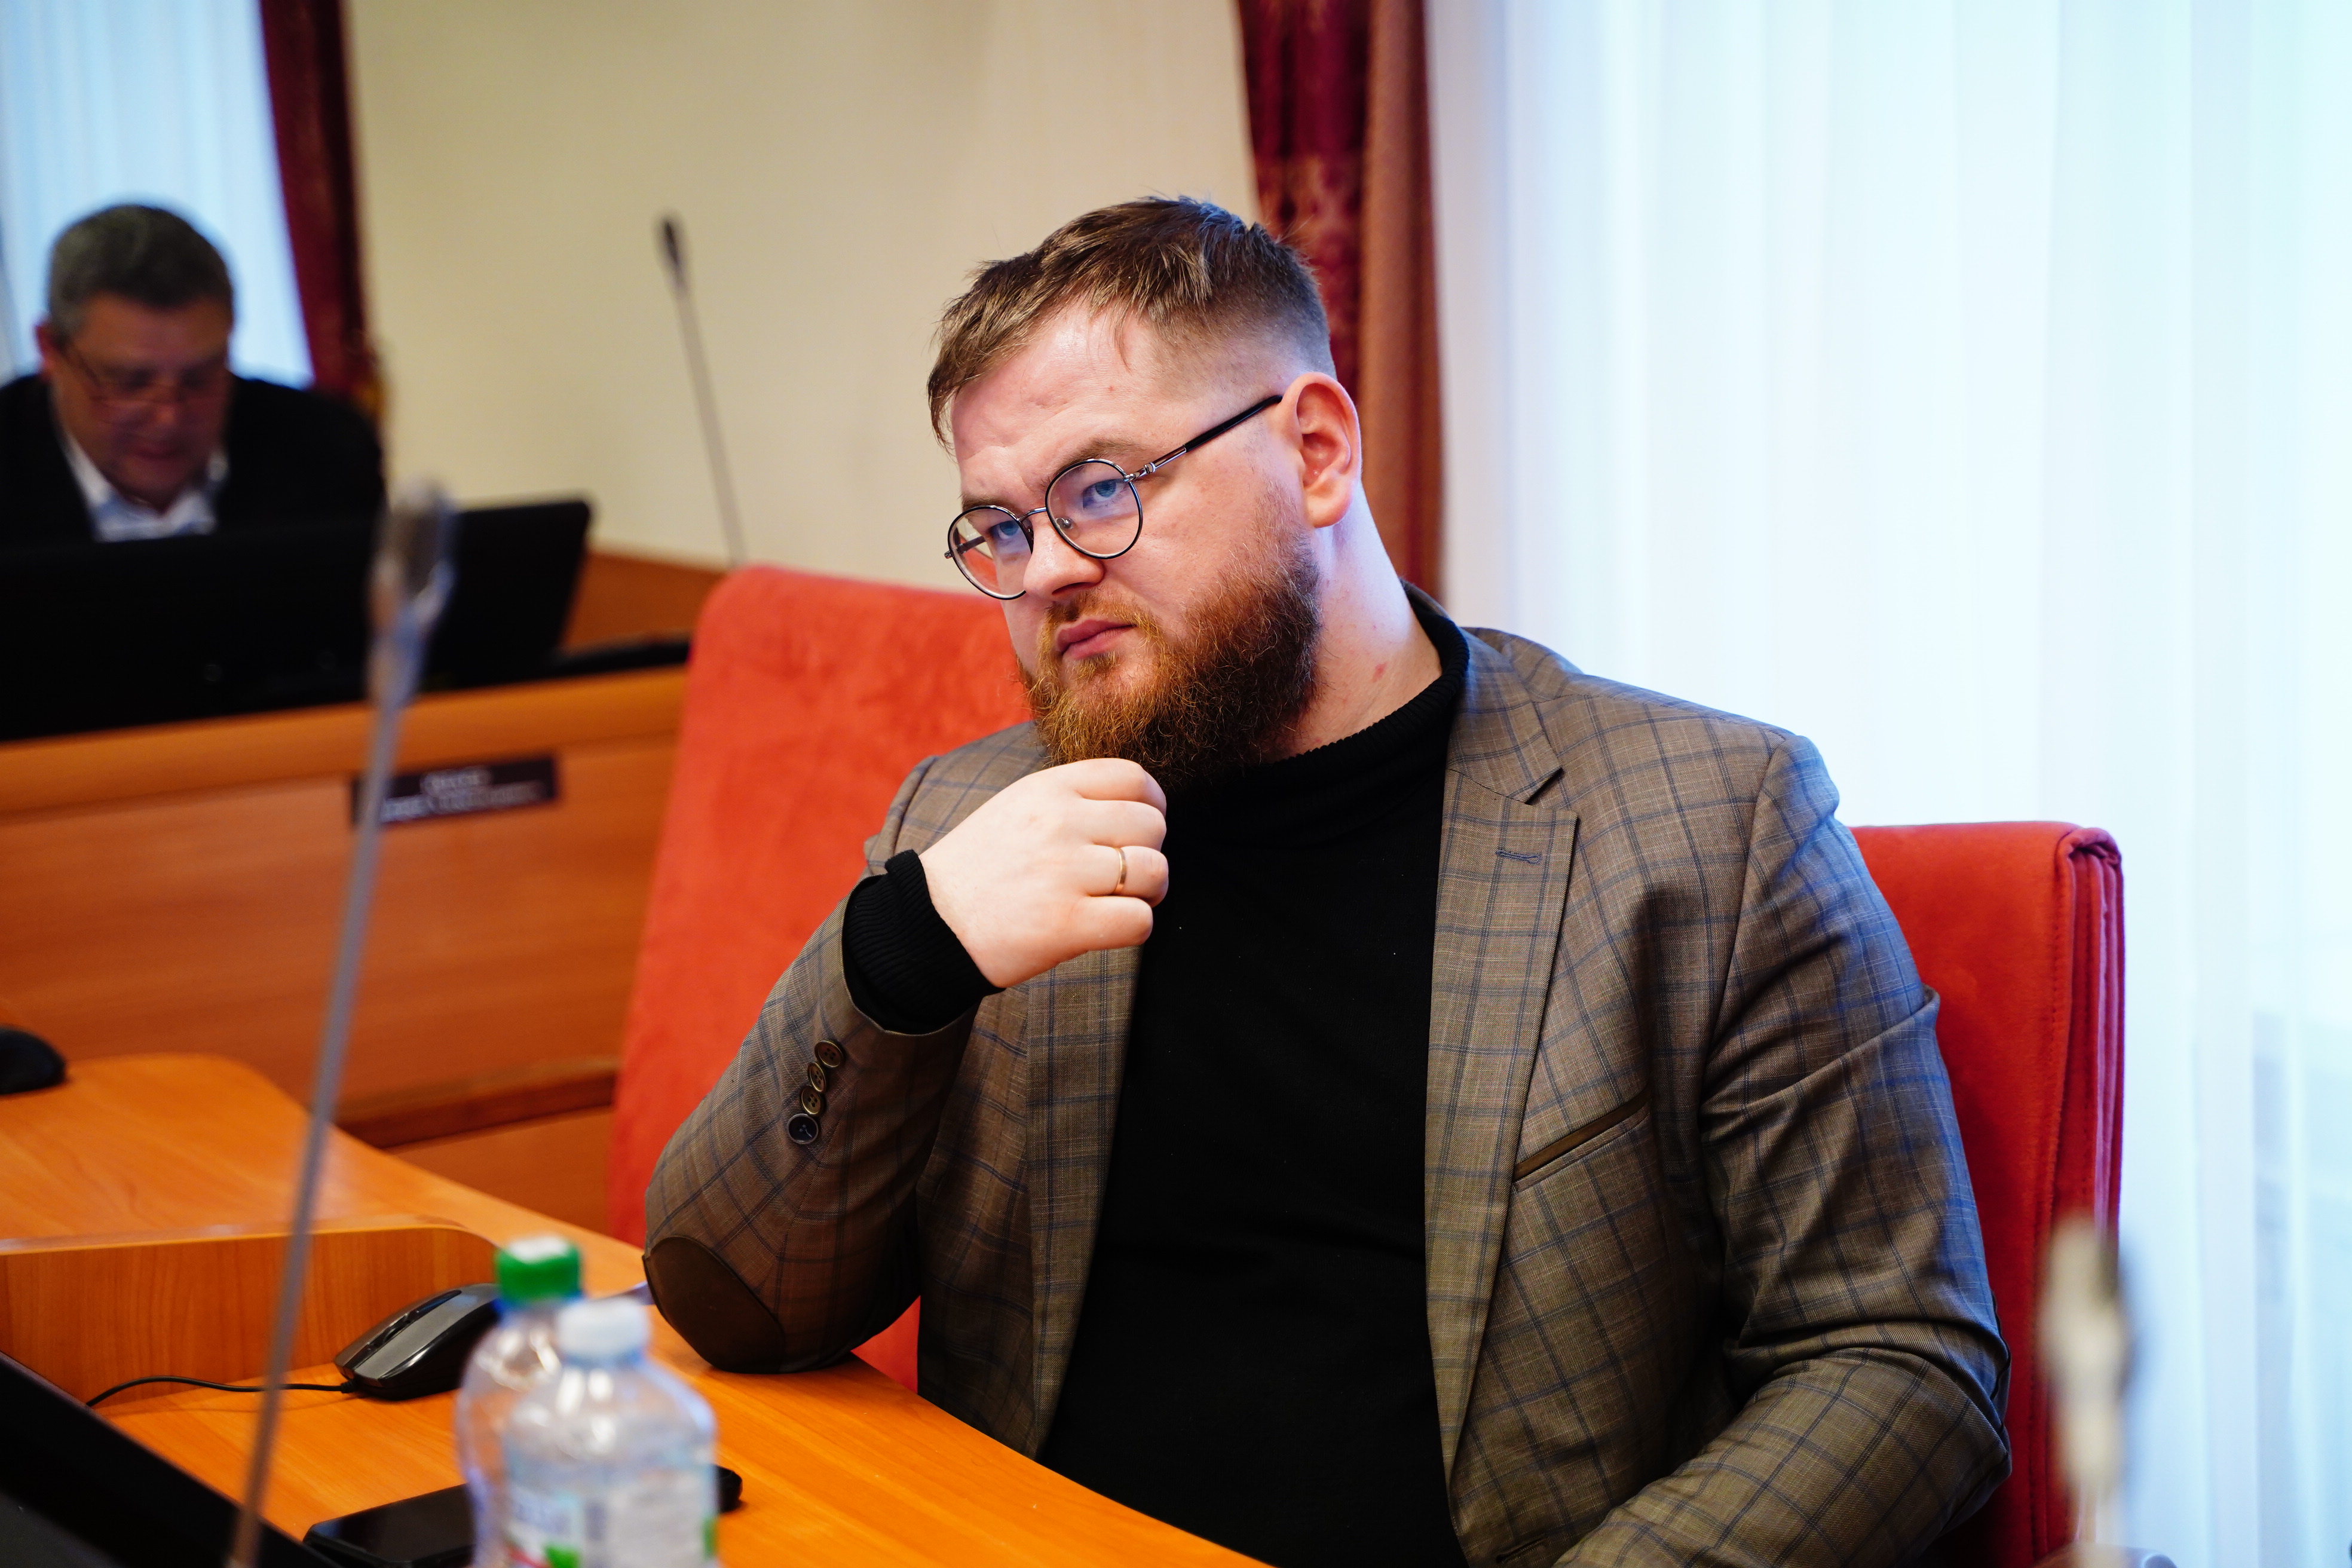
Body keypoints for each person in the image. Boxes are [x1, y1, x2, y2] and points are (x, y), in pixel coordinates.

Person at [644, 198, 2008, 1567]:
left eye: (1100, 489)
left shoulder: (1704, 825)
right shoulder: (975, 826)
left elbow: (1897, 1361)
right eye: (999, 526)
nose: (1046, 571)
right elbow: (736, 1298)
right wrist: (902, 956)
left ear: (1315, 450)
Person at [0, 204, 382, 550]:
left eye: (199, 379)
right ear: (50, 350)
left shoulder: (328, 448)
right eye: (131, 383)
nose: (168, 418)